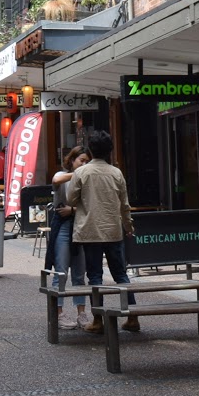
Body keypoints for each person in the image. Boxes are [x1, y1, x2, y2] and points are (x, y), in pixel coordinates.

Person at [68, 130, 136, 335]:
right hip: (113, 230)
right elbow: (125, 205)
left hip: (90, 231)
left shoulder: (82, 173)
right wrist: (128, 226)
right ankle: (133, 316)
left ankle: (98, 319)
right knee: (121, 275)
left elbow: (71, 199)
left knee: (95, 277)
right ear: (109, 151)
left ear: (90, 150)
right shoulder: (116, 173)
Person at [50, 146, 91, 329]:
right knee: (61, 271)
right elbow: (56, 180)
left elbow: (90, 206)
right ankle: (58, 313)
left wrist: (72, 210)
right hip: (64, 227)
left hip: (81, 226)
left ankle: (81, 313)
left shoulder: (88, 179)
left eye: (87, 161)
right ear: (72, 160)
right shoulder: (63, 175)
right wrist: (79, 174)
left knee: (79, 273)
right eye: (81, 160)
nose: (84, 164)